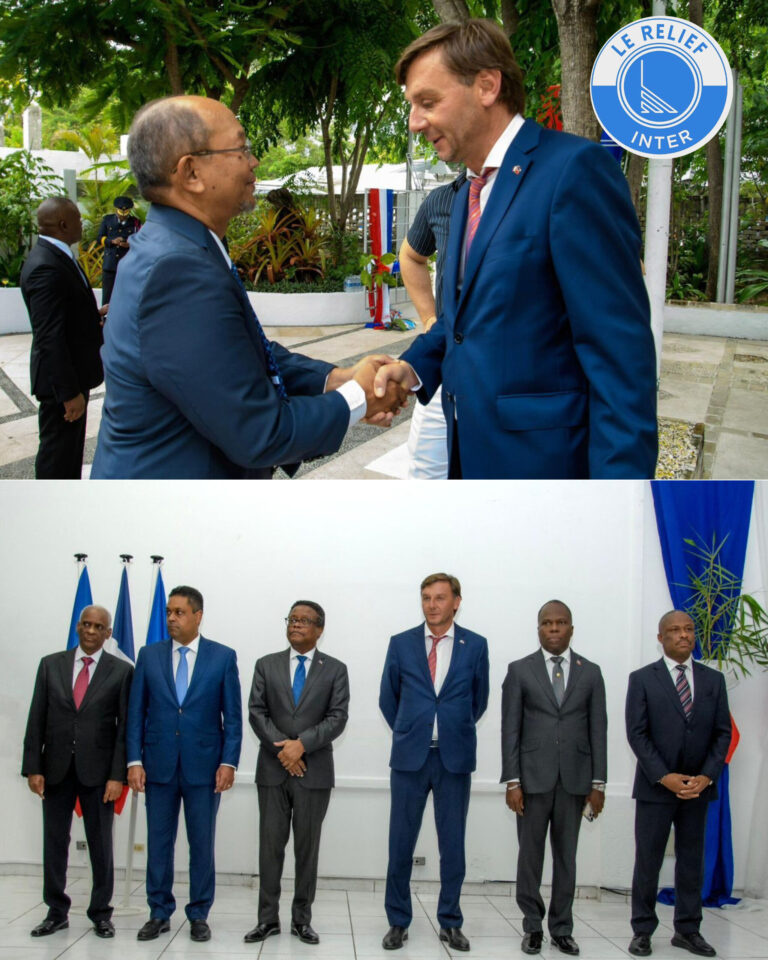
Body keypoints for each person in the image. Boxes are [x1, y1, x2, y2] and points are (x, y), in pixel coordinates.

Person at [373, 19, 658, 479]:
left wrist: (618, 499)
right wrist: (414, 366)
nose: (414, 122)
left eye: (427, 102)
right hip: (471, 463)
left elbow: (620, 357)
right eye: (412, 106)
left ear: (487, 86)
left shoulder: (574, 171)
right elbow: (468, 321)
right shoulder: (466, 192)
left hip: (547, 473)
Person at [91, 95, 405, 479]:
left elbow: (239, 353)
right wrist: (360, 397)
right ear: (191, 173)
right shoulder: (177, 270)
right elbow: (259, 433)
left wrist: (335, 379)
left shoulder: (178, 245)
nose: (254, 162)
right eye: (241, 149)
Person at [379, 574, 489, 951]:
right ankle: (398, 921)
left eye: (440, 597)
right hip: (410, 758)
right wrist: (412, 729)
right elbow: (388, 699)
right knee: (400, 843)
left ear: (456, 601)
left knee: (452, 845)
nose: (432, 604)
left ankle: (450, 921)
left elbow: (479, 700)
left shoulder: (475, 645)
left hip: (453, 759)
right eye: (426, 597)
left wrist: (453, 727)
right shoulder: (401, 643)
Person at [126, 585, 242, 943]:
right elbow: (136, 713)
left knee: (201, 845)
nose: (171, 618)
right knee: (158, 843)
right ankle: (159, 912)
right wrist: (133, 760)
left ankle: (199, 914)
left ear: (198, 616)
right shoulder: (149, 655)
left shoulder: (222, 657)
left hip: (204, 768)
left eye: (179, 612)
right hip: (157, 765)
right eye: (168, 612)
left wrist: (229, 762)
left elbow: (232, 718)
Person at [501, 601, 607, 956]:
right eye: (547, 623)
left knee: (566, 858)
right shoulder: (520, 670)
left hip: (575, 781)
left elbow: (599, 730)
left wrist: (598, 784)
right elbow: (510, 729)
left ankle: (562, 928)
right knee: (530, 858)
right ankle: (532, 926)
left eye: (561, 623)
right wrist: (513, 781)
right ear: (539, 629)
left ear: (571, 629)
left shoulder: (590, 672)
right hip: (532, 781)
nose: (554, 628)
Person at [22, 605, 133, 939]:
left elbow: (124, 728)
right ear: (77, 627)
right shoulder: (50, 664)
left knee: (101, 845)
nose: (90, 630)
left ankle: (101, 913)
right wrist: (33, 767)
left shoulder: (121, 671)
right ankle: (56, 912)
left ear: (108, 633)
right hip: (55, 770)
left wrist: (117, 775)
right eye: (86, 624)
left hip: (99, 774)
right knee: (55, 842)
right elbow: (36, 718)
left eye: (98, 626)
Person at [625, 610, 731, 959]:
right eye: (674, 630)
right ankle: (642, 930)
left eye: (688, 629)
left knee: (691, 861)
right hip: (656, 788)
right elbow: (637, 734)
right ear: (661, 638)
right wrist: (664, 776)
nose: (683, 635)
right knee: (648, 861)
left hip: (697, 788)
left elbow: (722, 734)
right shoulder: (643, 679)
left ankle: (688, 930)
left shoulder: (713, 680)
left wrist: (707, 776)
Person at [245, 601, 349, 945]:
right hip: (272, 770)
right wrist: (285, 750)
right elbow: (256, 712)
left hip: (314, 772)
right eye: (292, 619)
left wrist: (301, 745)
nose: (296, 624)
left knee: (307, 849)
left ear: (320, 629)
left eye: (304, 620)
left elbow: (337, 718)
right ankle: (267, 919)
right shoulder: (266, 665)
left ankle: (301, 920)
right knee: (270, 848)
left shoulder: (335, 669)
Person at [20, 197, 105, 478]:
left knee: (69, 457)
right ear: (63, 224)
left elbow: (65, 314)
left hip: (74, 377)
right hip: (62, 386)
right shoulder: (45, 266)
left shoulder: (57, 256)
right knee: (57, 459)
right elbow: (49, 336)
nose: (82, 223)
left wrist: (95, 315)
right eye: (78, 219)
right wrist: (69, 393)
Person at [400, 174, 465, 479]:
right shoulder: (442, 199)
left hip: (508, 383)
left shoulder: (534, 190)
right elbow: (411, 255)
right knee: (425, 476)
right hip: (443, 365)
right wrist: (429, 319)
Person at [97, 195, 141, 305]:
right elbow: (100, 238)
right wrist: (112, 241)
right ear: (116, 210)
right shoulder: (107, 220)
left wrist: (130, 244)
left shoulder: (135, 222)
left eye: (125, 213)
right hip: (110, 264)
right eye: (121, 212)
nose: (122, 216)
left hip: (127, 263)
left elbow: (140, 240)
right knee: (107, 297)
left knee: (126, 296)